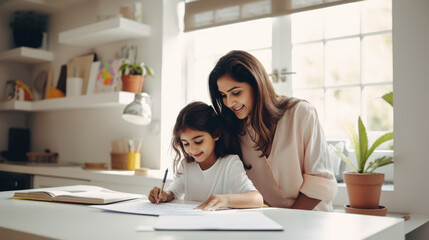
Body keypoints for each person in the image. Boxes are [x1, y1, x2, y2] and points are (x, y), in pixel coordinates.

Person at [208, 50, 338, 211]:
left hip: (312, 218)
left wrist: (287, 221)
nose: (229, 102)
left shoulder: (301, 113)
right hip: (269, 221)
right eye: (223, 95)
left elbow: (320, 181)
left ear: (257, 85)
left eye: (236, 93)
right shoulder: (234, 128)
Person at [148, 101, 263, 211]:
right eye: (186, 143)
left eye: (198, 141)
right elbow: (173, 192)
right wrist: (163, 195)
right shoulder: (186, 165)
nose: (192, 150)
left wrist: (225, 200)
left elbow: (257, 199)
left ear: (215, 134)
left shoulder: (230, 163)